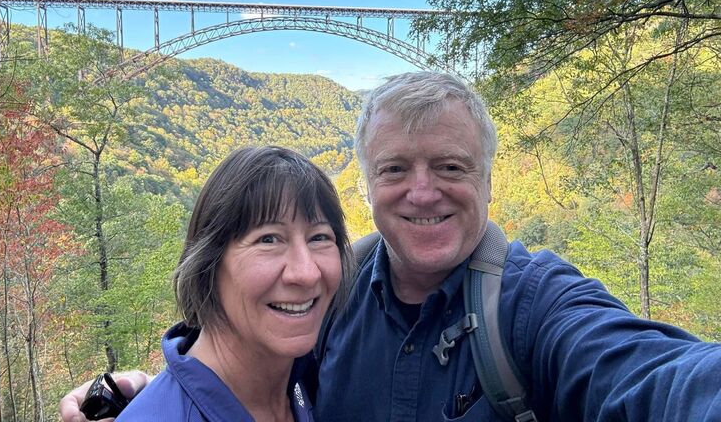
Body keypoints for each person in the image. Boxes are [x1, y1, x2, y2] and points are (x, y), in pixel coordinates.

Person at [61, 72, 721, 422]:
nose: (423, 192)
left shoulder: (534, 305)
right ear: (367, 186)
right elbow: (236, 354)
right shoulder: (326, 291)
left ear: (489, 181)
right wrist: (146, 395)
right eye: (396, 169)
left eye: (452, 168)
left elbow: (650, 378)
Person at [94, 145, 352, 422]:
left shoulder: (314, 382)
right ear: (208, 264)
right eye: (268, 239)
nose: (307, 273)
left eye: (319, 237)